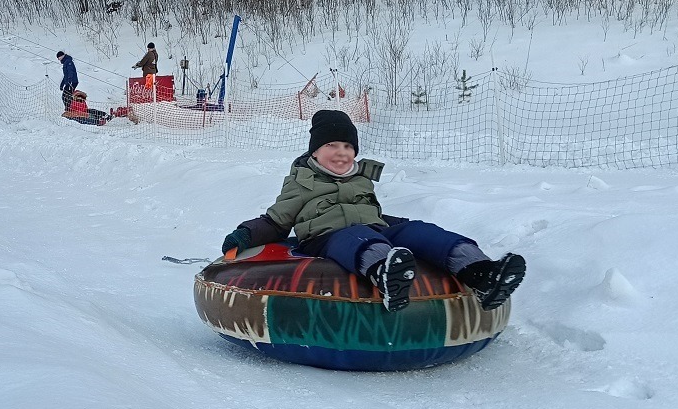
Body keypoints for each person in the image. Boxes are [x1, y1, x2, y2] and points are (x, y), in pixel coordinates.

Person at [221, 110, 525, 312]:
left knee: (421, 231)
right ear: (315, 151)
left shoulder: (361, 179)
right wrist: (245, 234)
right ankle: (385, 274)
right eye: (332, 146)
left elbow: (369, 212)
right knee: (355, 235)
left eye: (348, 147)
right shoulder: (302, 182)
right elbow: (276, 220)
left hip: (371, 228)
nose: (342, 153)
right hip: (326, 237)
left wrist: (406, 226)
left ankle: (482, 274)